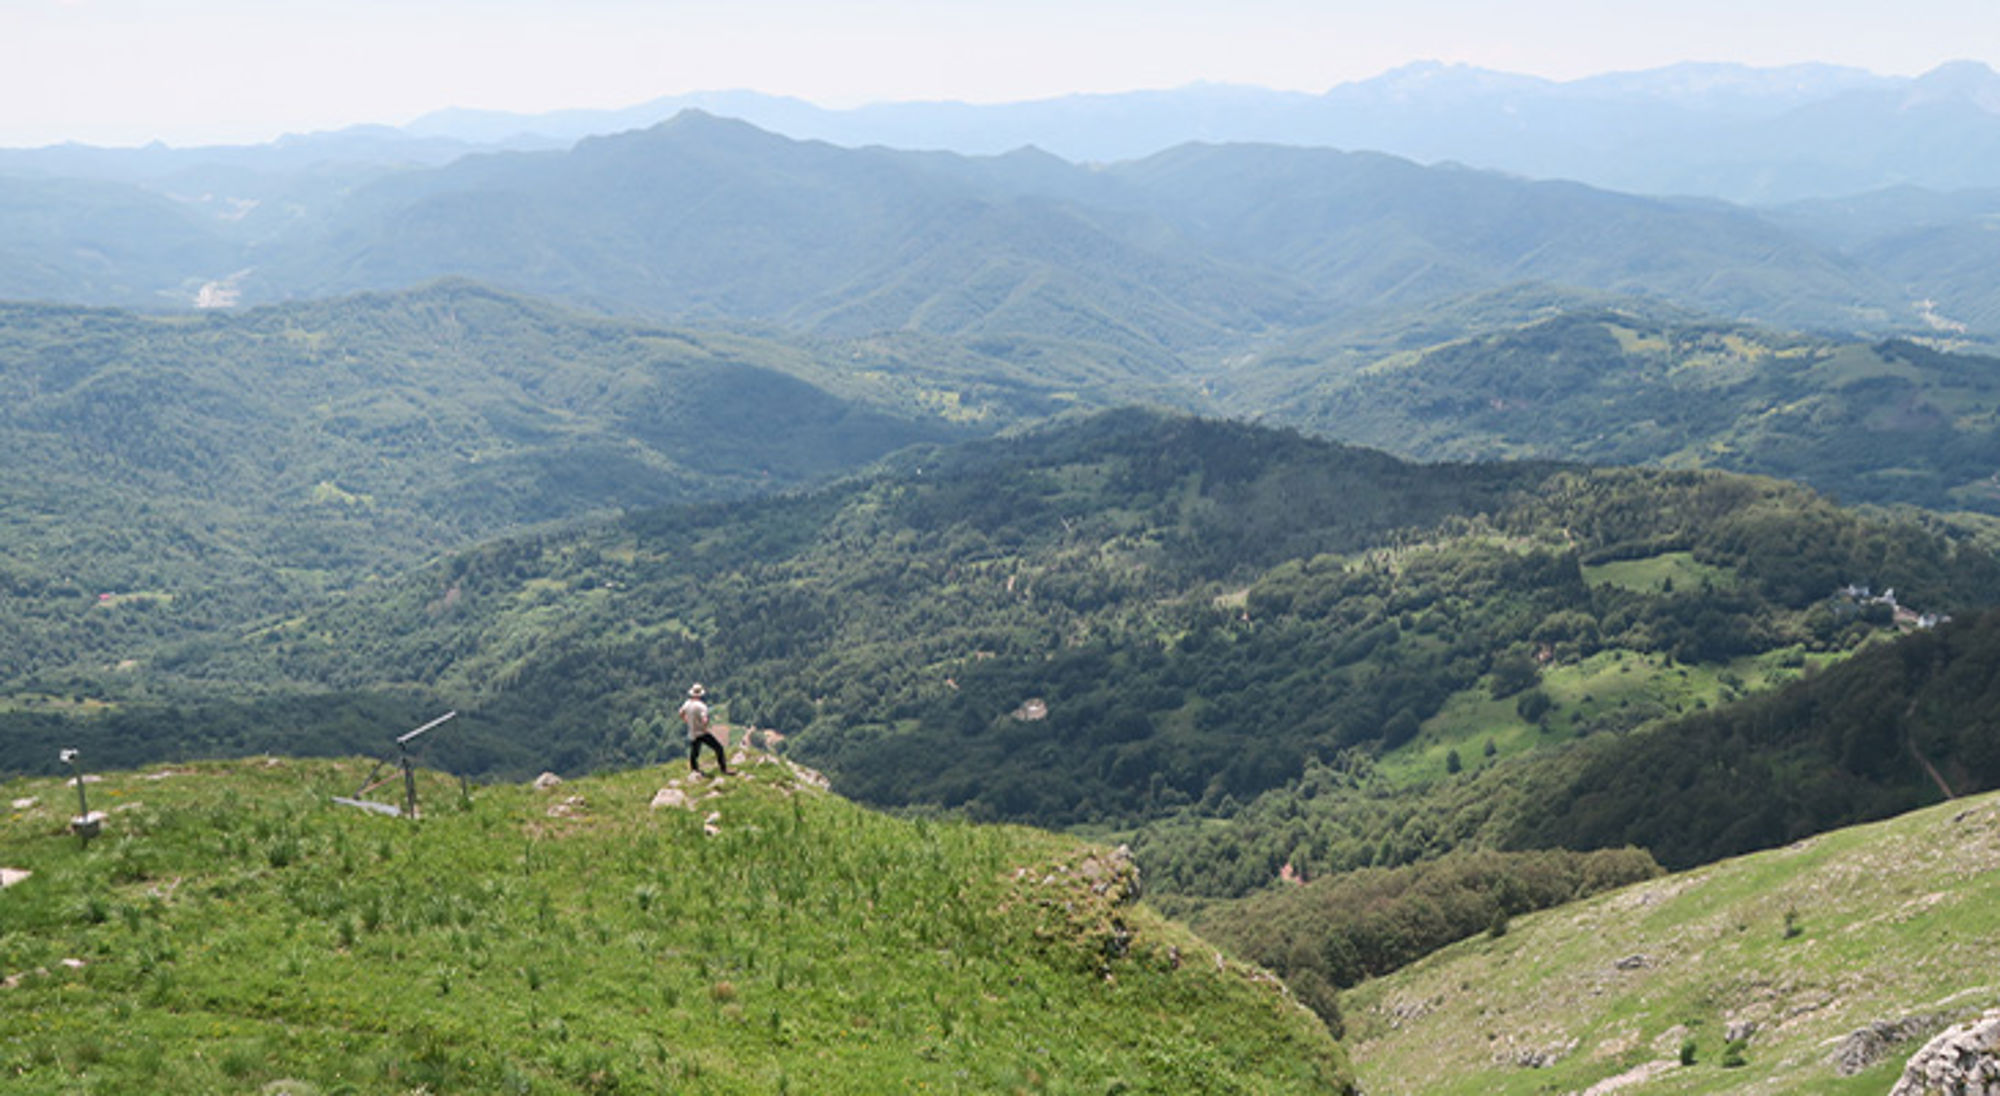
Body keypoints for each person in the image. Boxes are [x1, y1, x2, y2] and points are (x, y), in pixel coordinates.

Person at [679, 683, 729, 776]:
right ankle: (723, 769)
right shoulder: (701, 706)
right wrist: (705, 728)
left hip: (692, 732)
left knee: (694, 752)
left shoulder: (687, 704)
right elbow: (704, 719)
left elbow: (681, 713)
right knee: (718, 748)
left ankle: (694, 770)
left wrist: (686, 720)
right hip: (701, 732)